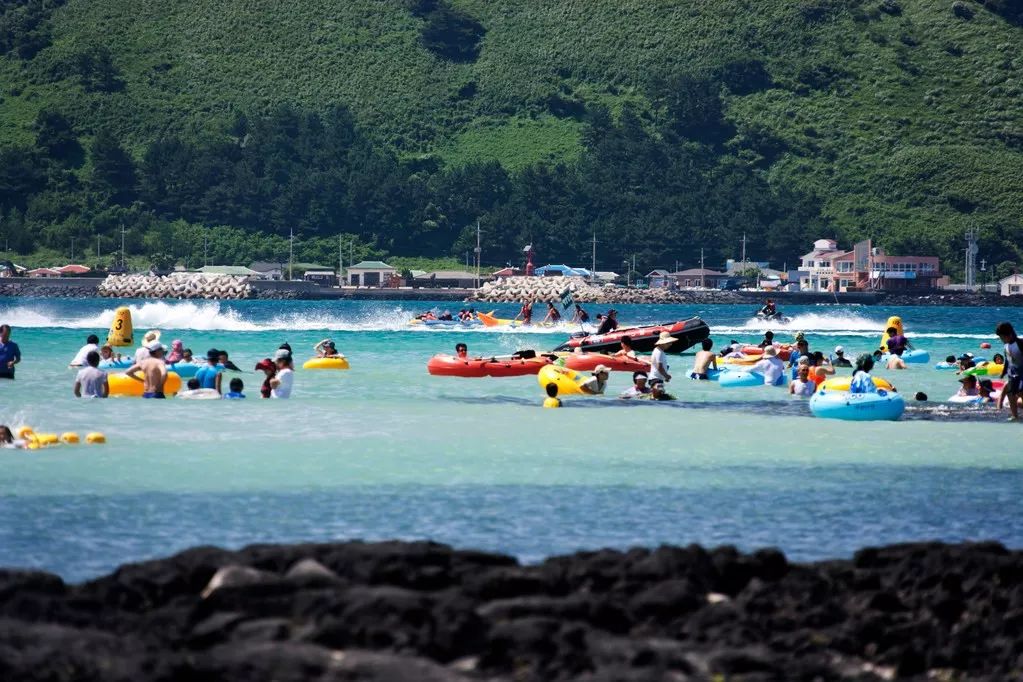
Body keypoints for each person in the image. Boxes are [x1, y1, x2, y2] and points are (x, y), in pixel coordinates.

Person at [996, 321, 1022, 421]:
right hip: (1012, 374)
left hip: (1021, 374)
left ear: (1010, 334)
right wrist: (1003, 372)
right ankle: (1014, 416)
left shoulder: (1020, 343)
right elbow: (1007, 360)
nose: (1001, 339)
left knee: (1021, 393)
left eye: (1002, 337)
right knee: (1010, 394)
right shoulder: (1006, 346)